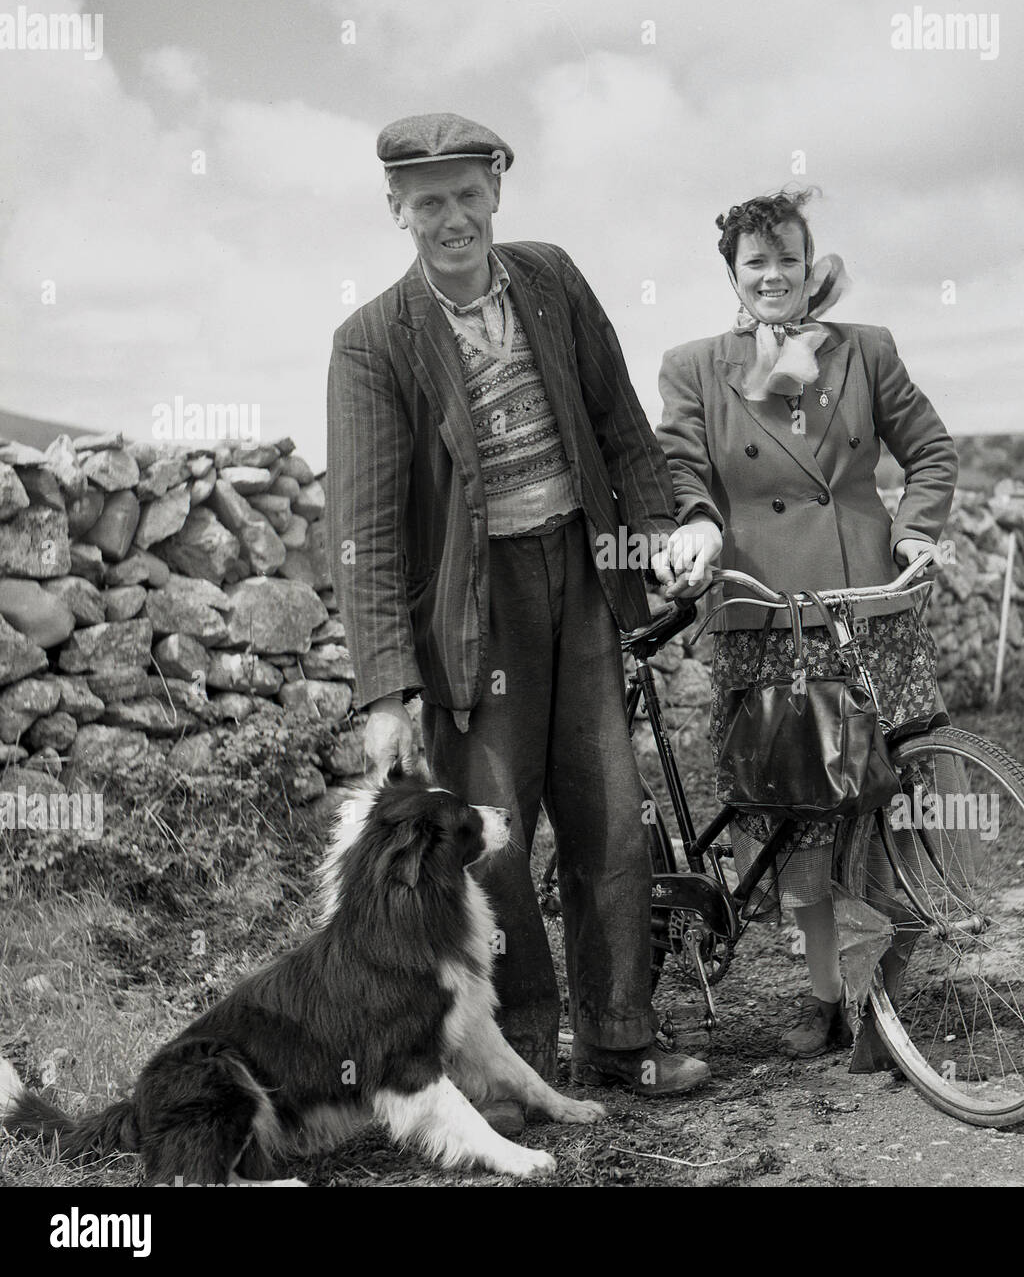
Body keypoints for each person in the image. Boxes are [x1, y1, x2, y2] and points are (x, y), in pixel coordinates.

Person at [326, 113, 709, 1128]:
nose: (451, 218)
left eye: (467, 193)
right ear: (397, 211)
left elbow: (622, 427)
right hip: (470, 608)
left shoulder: (551, 279)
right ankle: (524, 1057)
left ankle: (622, 1038)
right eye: (428, 201)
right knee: (490, 841)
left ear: (497, 189)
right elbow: (362, 528)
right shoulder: (372, 340)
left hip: (581, 578)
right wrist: (381, 689)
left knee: (610, 819)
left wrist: (660, 529)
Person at [653, 187, 959, 1059]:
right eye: (757, 263)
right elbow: (681, 472)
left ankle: (884, 1002)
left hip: (868, 609)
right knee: (799, 820)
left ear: (808, 261)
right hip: (763, 614)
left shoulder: (867, 351)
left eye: (788, 258)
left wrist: (916, 532)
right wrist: (699, 524)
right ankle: (826, 995)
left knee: (889, 801)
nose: (775, 275)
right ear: (734, 275)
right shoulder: (693, 367)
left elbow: (930, 449)